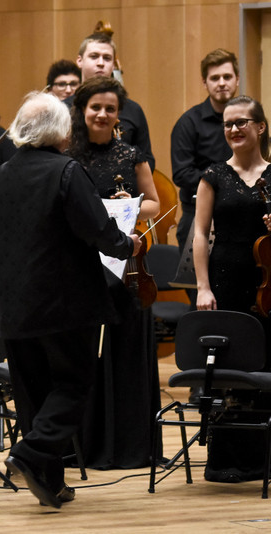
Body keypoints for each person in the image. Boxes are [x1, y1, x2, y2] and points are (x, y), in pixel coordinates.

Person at [0, 91, 138, 508]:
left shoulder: (0, 175)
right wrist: (127, 244)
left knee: (34, 395)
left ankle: (50, 483)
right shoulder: (66, 170)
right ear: (61, 130)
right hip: (64, 304)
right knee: (73, 385)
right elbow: (97, 230)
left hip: (14, 305)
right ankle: (31, 454)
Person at [67, 76, 161, 469]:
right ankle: (84, 446)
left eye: (110, 109)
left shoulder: (132, 155)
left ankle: (127, 446)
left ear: (118, 115)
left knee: (123, 353)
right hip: (82, 269)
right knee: (84, 356)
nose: (103, 115)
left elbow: (156, 204)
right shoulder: (67, 157)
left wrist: (134, 206)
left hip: (124, 269)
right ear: (82, 111)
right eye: (96, 108)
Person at [193, 95, 271, 483]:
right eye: (228, 124)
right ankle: (230, 461)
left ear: (260, 127)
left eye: (242, 122)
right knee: (231, 368)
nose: (234, 129)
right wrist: (203, 287)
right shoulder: (213, 176)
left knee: (267, 363)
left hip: (267, 284)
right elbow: (200, 234)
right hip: (225, 281)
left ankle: (265, 458)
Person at [172, 49, 239, 252]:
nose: (221, 83)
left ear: (237, 79)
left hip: (241, 216)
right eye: (214, 78)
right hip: (198, 217)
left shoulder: (252, 121)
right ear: (205, 82)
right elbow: (182, 174)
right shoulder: (188, 123)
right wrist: (224, 180)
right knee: (198, 284)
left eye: (227, 76)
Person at [72, 32, 155, 172]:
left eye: (107, 58)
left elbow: (147, 159)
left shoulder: (133, 110)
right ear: (80, 61)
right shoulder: (60, 108)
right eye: (94, 56)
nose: (100, 63)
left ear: (113, 65)